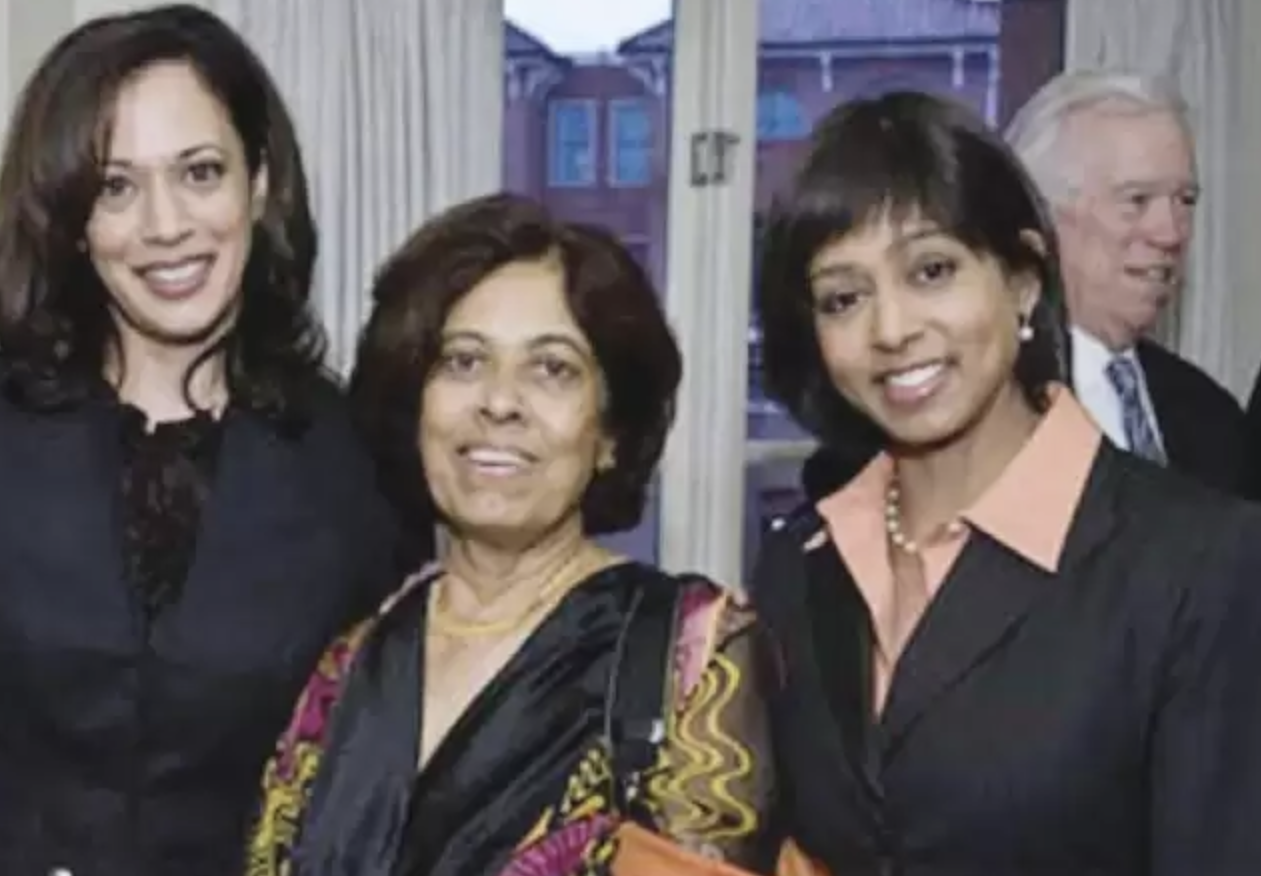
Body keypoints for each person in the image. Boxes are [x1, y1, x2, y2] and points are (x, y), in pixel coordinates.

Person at [0, 7, 412, 876]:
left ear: (260, 182)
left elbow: (374, 795)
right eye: (116, 187)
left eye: (200, 172)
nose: (166, 225)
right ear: (72, 219)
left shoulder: (358, 459)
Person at [750, 91, 1261, 875]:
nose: (892, 330)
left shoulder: (1198, 563)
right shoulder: (800, 563)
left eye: (932, 271)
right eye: (844, 299)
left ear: (1022, 278)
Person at [246, 193, 800, 876]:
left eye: (552, 369)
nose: (500, 402)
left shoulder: (691, 656)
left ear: (611, 433)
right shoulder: (353, 662)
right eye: (463, 361)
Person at [800, 70, 1248, 502]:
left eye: (1184, 200)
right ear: (1043, 212)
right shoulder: (944, 399)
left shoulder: (1212, 414)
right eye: (1137, 201)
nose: (1170, 232)